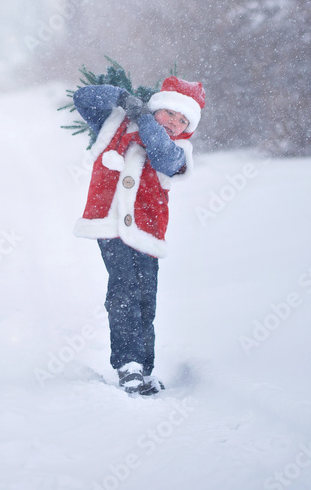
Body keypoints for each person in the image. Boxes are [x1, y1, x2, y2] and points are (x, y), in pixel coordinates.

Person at [72, 76, 205, 395]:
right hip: (111, 224)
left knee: (146, 298)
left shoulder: (178, 151)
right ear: (157, 106)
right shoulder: (114, 125)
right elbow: (83, 99)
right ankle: (127, 364)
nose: (174, 123)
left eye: (183, 119)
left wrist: (146, 117)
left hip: (148, 232)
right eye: (169, 114)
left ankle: (144, 368)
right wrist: (121, 97)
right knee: (124, 289)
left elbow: (158, 150)